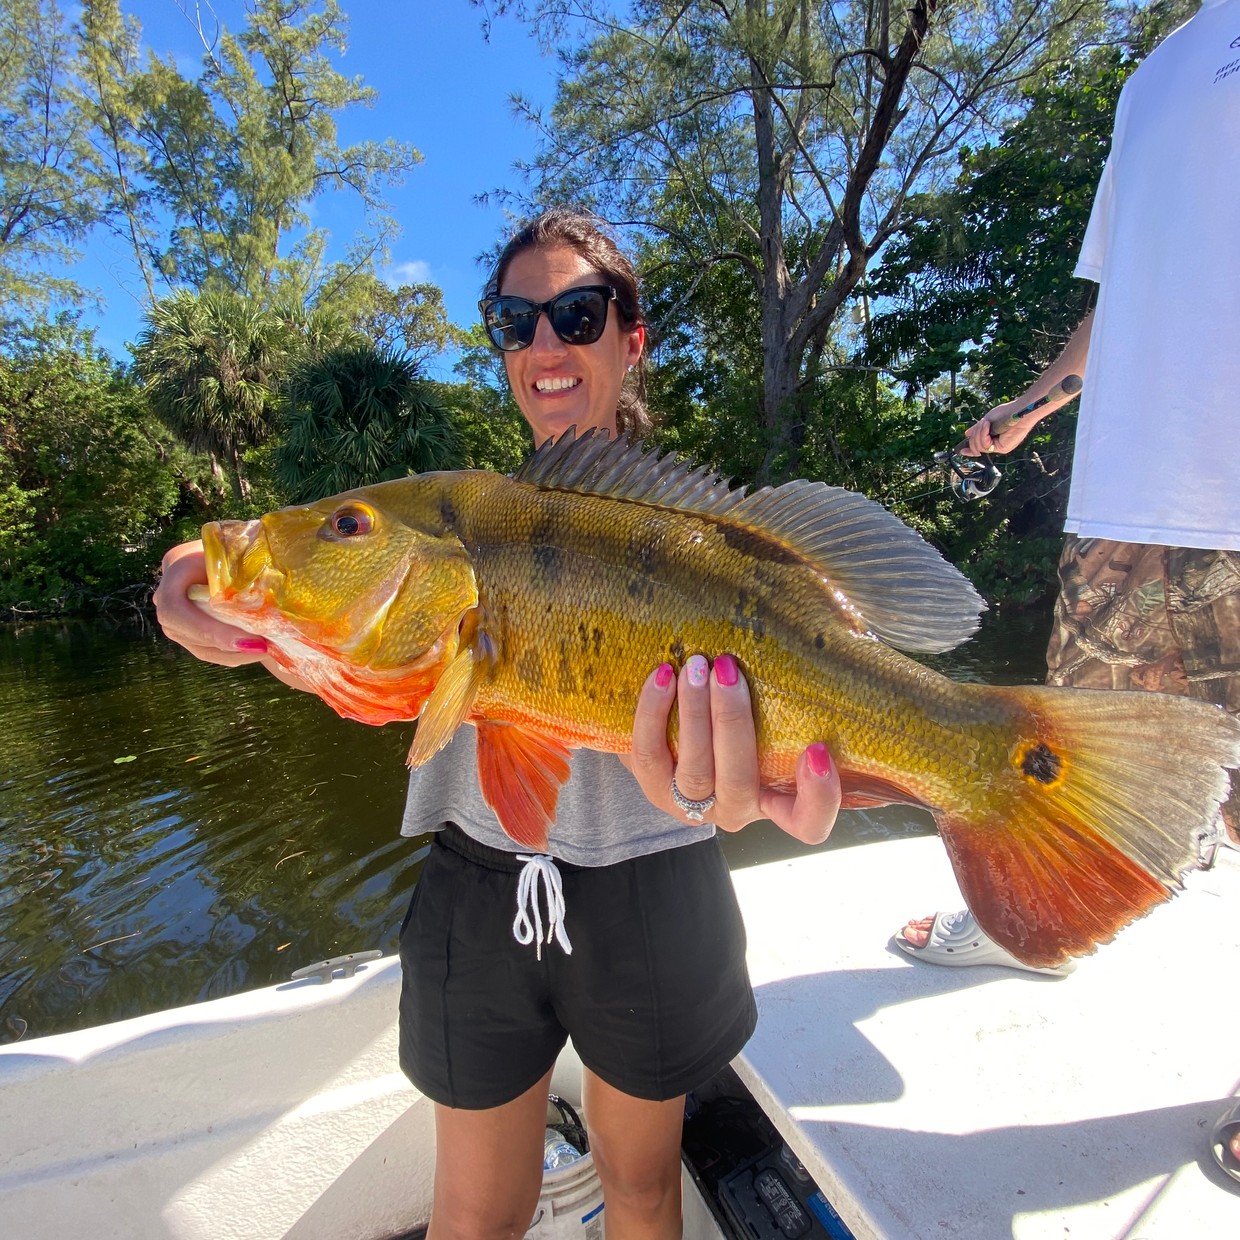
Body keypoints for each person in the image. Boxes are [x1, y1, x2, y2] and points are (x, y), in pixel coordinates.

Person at [153, 208, 842, 1239]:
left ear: (630, 337)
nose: (545, 344)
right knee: (472, 1212)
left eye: (576, 311)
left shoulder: (702, 542)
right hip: (478, 882)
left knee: (644, 1186)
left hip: (652, 884)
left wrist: (745, 780)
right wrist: (180, 576)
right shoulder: (461, 510)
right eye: (516, 323)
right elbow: (289, 551)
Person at [891, 0, 1240, 1180]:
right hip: (1128, 501)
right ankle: (1042, 936)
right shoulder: (1156, 73)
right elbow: (1124, 294)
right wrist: (1034, 402)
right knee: (1071, 773)